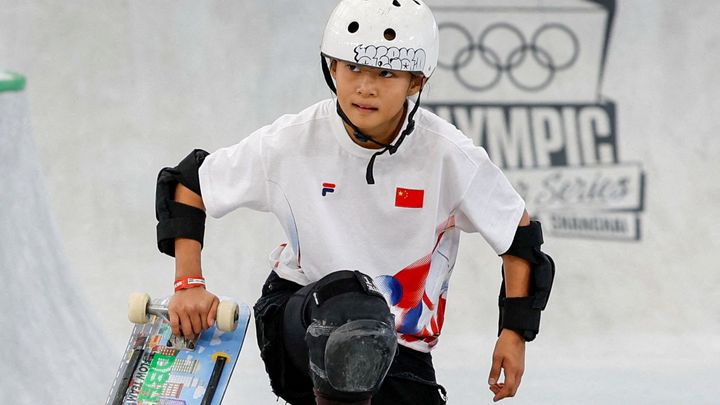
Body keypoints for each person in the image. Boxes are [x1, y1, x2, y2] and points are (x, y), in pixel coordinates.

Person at [154, 1, 555, 404]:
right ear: (332, 68)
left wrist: (514, 333)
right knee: (353, 312)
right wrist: (188, 283)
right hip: (299, 318)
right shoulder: (293, 141)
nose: (366, 87)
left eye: (386, 73)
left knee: (369, 329)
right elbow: (189, 182)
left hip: (398, 345)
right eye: (353, 68)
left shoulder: (447, 155)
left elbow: (517, 237)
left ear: (416, 82)